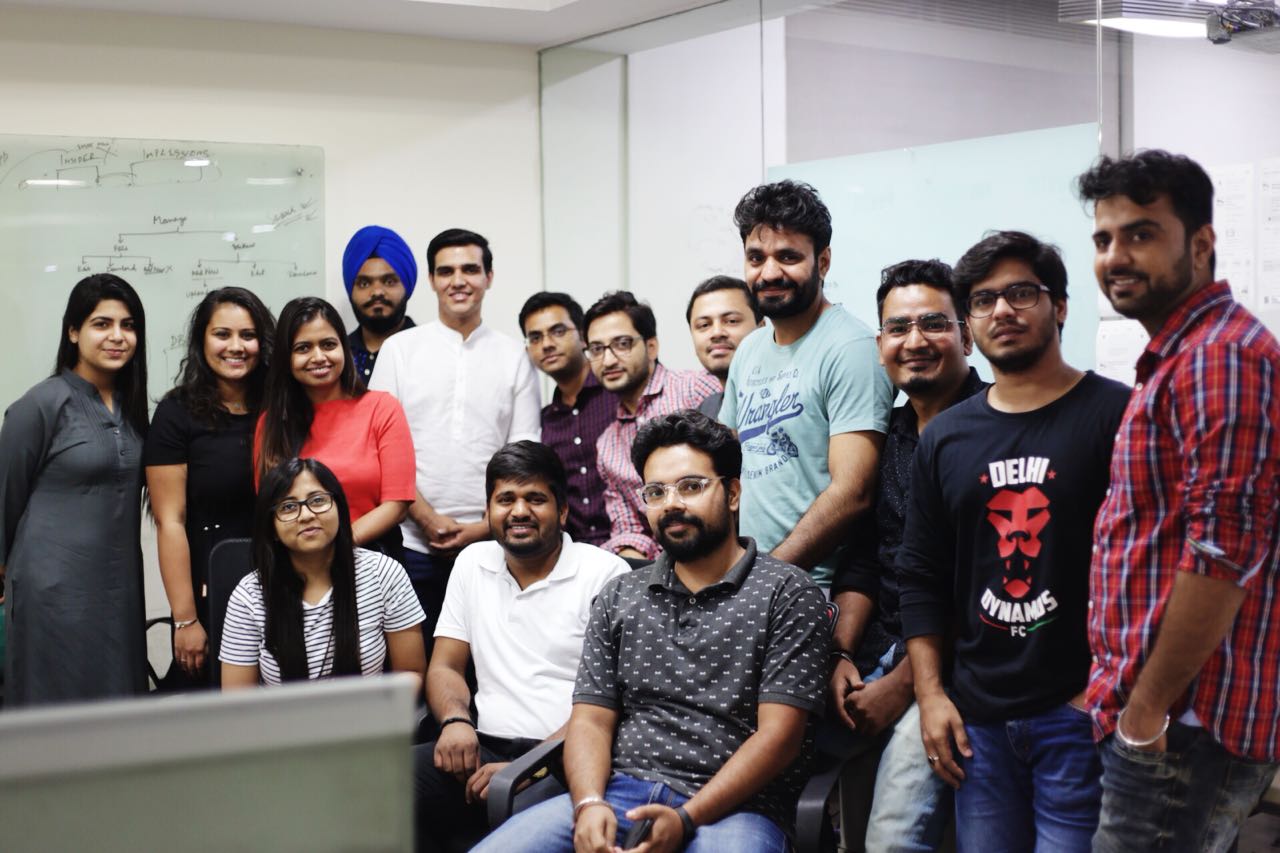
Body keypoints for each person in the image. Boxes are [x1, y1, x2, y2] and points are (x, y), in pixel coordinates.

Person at [475, 410, 830, 853]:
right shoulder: (621, 594)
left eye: (691, 486)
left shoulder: (787, 593)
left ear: (733, 493)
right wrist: (588, 803)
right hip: (620, 791)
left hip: (739, 806)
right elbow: (591, 720)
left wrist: (686, 818)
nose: (671, 504)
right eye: (656, 492)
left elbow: (780, 738)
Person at [897, 231, 1130, 852]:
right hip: (978, 724)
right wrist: (930, 695)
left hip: (1082, 715)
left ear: (1061, 306)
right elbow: (920, 576)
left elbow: (1150, 571)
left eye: (1022, 292)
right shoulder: (944, 438)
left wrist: (1102, 696)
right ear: (970, 325)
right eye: (983, 300)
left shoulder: (1118, 416)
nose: (1002, 310)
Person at [1078, 150, 1280, 852]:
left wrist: (1147, 710)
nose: (1115, 256)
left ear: (1200, 244)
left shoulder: (1219, 357)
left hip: (1187, 725)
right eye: (1103, 238)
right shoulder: (1180, 356)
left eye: (1141, 234)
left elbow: (1222, 554)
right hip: (1167, 720)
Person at [829, 259, 985, 852]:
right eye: (898, 328)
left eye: (933, 324)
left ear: (966, 336)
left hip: (957, 666)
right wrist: (841, 652)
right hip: (878, 652)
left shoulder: (996, 427)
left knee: (892, 838)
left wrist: (906, 684)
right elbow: (864, 559)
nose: (914, 341)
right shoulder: (889, 436)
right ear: (880, 346)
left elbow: (982, 585)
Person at [412, 441, 629, 852]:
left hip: (568, 756)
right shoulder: (472, 562)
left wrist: (527, 768)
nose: (519, 511)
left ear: (562, 511)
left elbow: (615, 700)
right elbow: (445, 666)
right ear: (488, 510)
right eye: (505, 499)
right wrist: (455, 721)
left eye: (536, 499)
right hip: (481, 745)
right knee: (380, 787)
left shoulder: (605, 574)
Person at [370, 228, 541, 642]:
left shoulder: (515, 357)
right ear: (431, 280)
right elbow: (378, 450)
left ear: (489, 277)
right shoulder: (399, 350)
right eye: (446, 271)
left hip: (494, 545)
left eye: (470, 269)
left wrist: (482, 529)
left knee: (489, 661)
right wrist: (427, 519)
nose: (458, 281)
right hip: (409, 544)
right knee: (414, 661)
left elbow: (524, 455)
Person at [720, 180, 893, 589]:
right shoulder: (750, 349)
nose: (769, 272)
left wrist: (761, 580)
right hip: (749, 577)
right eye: (756, 258)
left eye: (788, 256)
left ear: (823, 262)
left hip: (813, 589)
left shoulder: (852, 347)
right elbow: (726, 464)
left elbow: (853, 493)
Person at [0, 274, 149, 706]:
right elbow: (5, 495)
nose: (117, 336)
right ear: (73, 332)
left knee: (117, 710)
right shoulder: (41, 404)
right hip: (52, 593)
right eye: (102, 324)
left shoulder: (133, 408)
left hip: (118, 592)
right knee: (55, 712)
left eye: (128, 325)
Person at [146, 287, 276, 682]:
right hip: (212, 587)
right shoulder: (176, 412)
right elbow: (170, 521)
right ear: (202, 340)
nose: (236, 347)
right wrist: (185, 620)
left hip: (281, 584)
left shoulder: (282, 406)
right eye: (222, 334)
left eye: (248, 335)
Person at [220, 457, 426, 686]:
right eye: (288, 507)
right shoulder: (249, 595)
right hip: (282, 711)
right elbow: (238, 700)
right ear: (272, 527)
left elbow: (411, 672)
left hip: (370, 709)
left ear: (339, 508)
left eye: (318, 500)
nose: (307, 515)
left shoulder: (383, 574)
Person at [255, 297, 415, 557]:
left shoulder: (382, 408)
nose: (319, 357)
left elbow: (397, 504)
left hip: (372, 560)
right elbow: (271, 508)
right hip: (297, 564)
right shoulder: (272, 422)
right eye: (303, 348)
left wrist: (336, 548)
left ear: (344, 347)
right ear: (286, 357)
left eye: (328, 345)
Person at [586, 291, 720, 561]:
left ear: (651, 347)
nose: (608, 360)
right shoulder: (607, 445)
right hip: (663, 566)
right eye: (597, 349)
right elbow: (628, 528)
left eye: (622, 344)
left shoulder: (696, 389)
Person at [519, 292, 616, 547]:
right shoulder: (544, 421)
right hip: (574, 553)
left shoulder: (618, 396)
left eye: (558, 331)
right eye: (535, 337)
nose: (546, 344)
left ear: (583, 336)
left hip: (635, 546)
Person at [342, 225, 418, 383]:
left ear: (407, 286)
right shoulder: (337, 357)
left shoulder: (430, 351)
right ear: (351, 290)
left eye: (389, 281)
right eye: (364, 283)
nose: (377, 292)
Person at [685, 275, 763, 419]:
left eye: (731, 321)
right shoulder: (706, 411)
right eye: (704, 325)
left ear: (761, 327)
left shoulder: (789, 395)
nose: (716, 333)